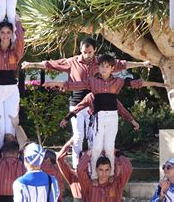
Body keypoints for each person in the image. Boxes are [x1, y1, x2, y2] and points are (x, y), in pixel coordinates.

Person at [22, 37, 151, 167]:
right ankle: (77, 166)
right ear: (80, 50)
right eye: (84, 52)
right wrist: (31, 64)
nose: (87, 55)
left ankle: (91, 165)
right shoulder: (72, 61)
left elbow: (121, 64)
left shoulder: (101, 63)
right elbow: (51, 64)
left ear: (95, 50)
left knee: (93, 137)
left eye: (89, 52)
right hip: (77, 101)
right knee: (78, 136)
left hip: (94, 104)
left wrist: (142, 64)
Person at [44, 54, 165, 181]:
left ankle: (111, 174)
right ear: (98, 67)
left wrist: (159, 85)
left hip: (112, 118)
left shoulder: (117, 82)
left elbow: (132, 89)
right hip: (99, 118)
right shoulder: (92, 81)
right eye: (101, 66)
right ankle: (95, 176)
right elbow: (74, 86)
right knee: (96, 148)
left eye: (107, 67)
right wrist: (55, 83)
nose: (104, 69)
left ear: (112, 68)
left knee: (109, 148)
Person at [0, 12, 24, 146]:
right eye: (2, 32)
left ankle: (11, 153)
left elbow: (20, 40)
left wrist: (17, 23)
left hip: (11, 90)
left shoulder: (15, 53)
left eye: (8, 32)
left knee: (11, 123)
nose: (5, 35)